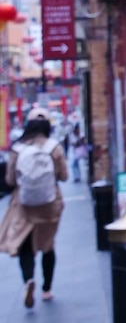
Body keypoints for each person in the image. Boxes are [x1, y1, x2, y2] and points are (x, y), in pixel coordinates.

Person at [0, 110, 68, 309]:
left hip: (24, 204)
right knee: (48, 245)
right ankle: (47, 289)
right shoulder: (54, 148)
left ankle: (29, 279)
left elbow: (10, 180)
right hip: (50, 204)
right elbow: (63, 176)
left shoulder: (18, 149)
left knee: (25, 246)